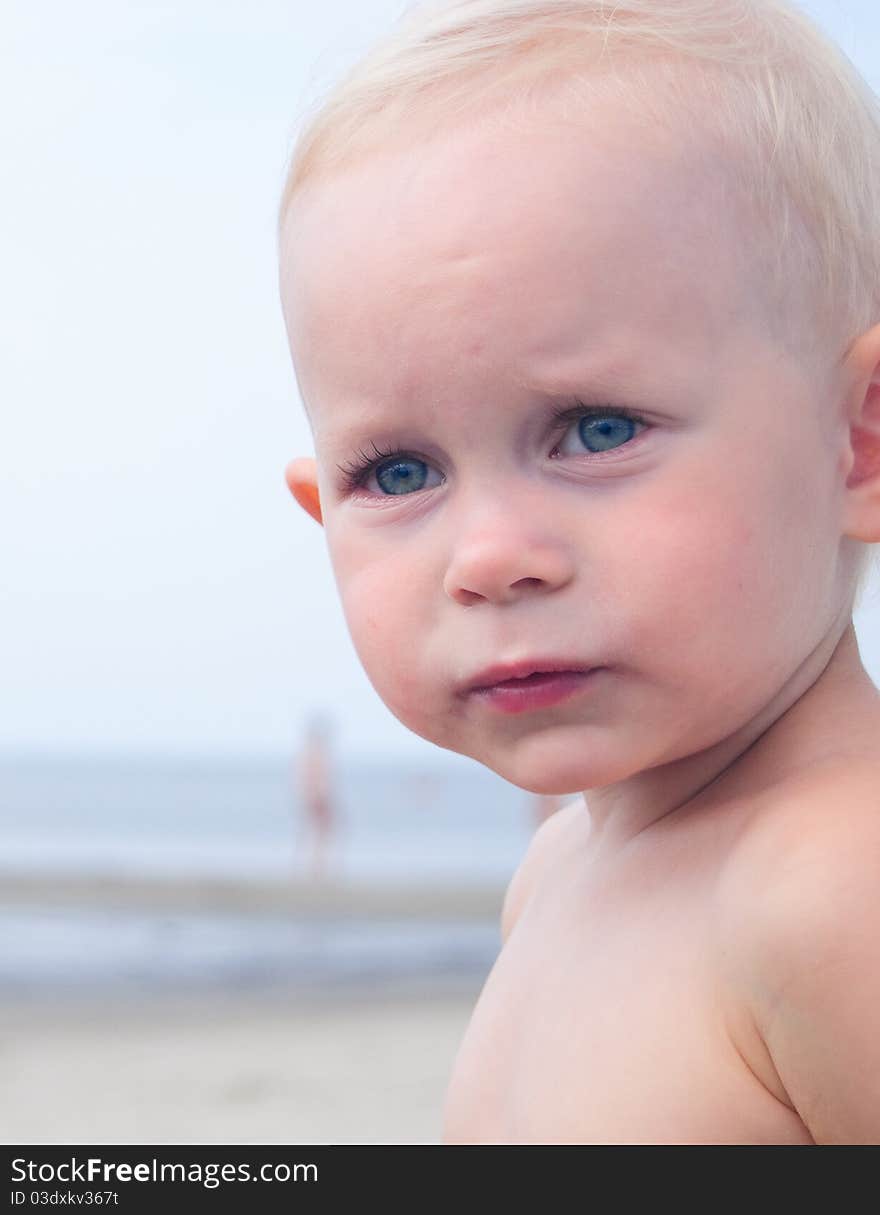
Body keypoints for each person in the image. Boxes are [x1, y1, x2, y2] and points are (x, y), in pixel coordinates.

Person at [276, 0, 880, 1144]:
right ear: (320, 511)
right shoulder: (555, 876)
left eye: (597, 432)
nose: (490, 558)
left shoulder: (838, 888)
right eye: (399, 471)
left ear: (856, 444)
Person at [293, 713, 337, 880]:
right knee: (319, 831)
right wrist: (317, 795)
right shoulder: (315, 752)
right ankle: (316, 868)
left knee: (317, 831)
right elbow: (313, 778)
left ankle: (315, 867)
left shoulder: (310, 752)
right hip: (316, 797)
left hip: (314, 796)